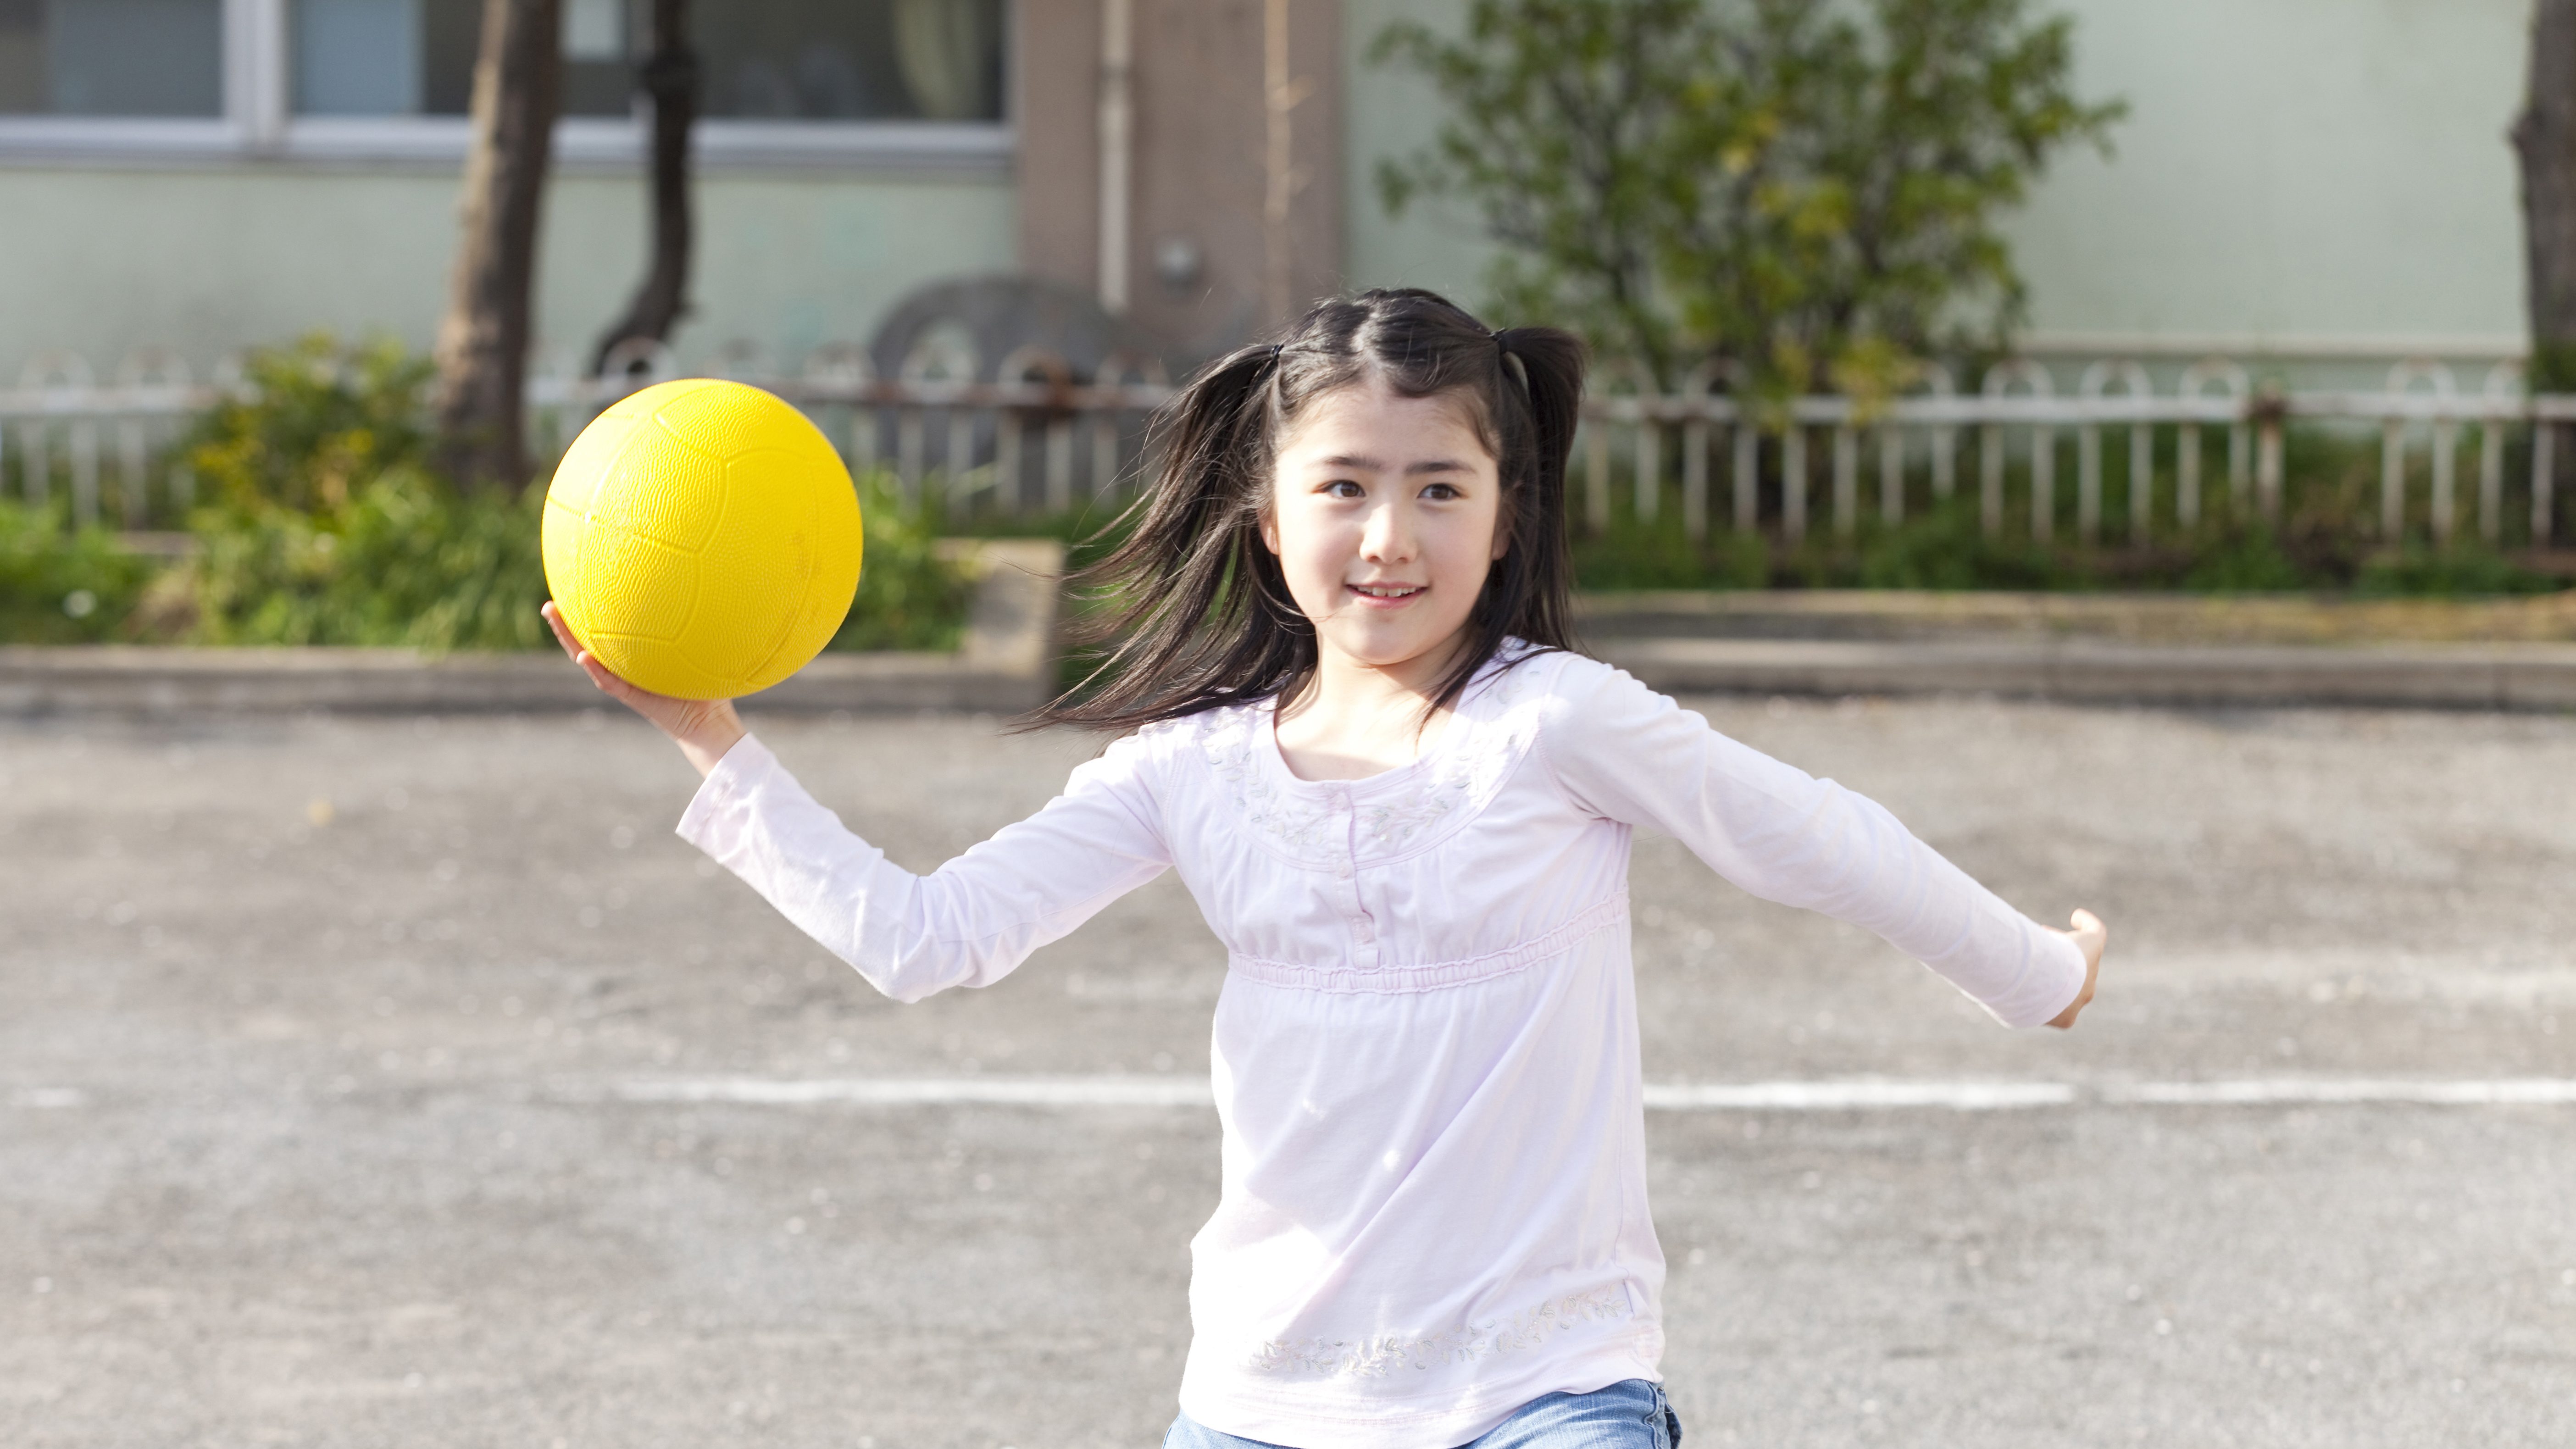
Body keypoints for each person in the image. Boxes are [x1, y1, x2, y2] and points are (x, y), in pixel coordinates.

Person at [542, 288, 2107, 1449]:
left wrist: (2038, 969)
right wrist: (709, 737)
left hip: (1544, 1385)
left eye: (1441, 489)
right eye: (1345, 486)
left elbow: (1815, 839)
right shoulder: (1189, 768)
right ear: (1268, 513)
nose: (1388, 534)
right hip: (1266, 1400)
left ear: (1505, 520)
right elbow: (925, 938)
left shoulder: (1552, 723)